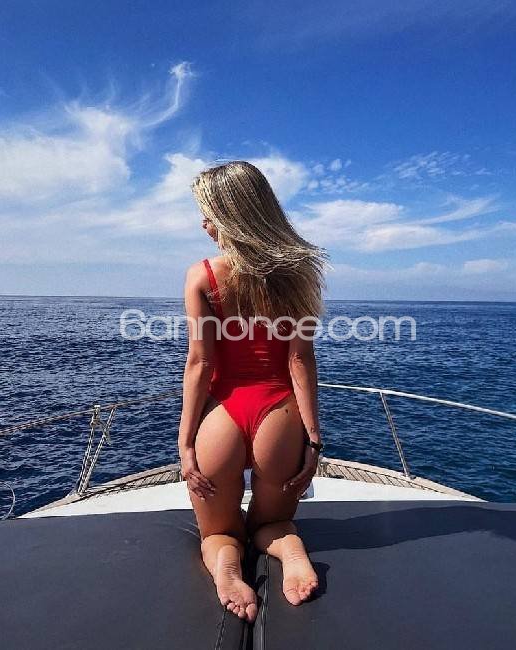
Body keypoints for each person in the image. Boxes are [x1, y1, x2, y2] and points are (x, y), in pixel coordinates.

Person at [178, 161, 328, 624]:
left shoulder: (203, 276)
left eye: (209, 214)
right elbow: (299, 361)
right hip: (279, 416)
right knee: (272, 523)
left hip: (222, 417)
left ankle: (226, 564)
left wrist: (186, 444)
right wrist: (313, 440)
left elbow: (201, 364)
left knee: (218, 534)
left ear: (231, 216)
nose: (204, 224)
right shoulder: (298, 273)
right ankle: (289, 549)